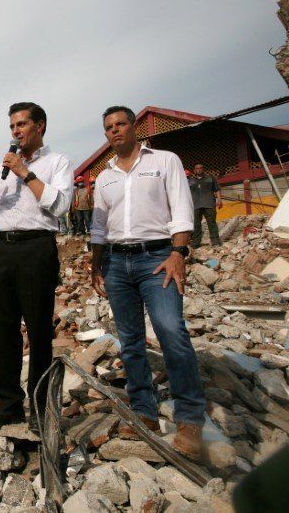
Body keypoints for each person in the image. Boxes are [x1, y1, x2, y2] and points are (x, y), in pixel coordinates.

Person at [90, 106, 205, 461]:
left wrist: (179, 253)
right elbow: (99, 226)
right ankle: (145, 411)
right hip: (116, 262)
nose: (115, 131)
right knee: (130, 340)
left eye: (121, 124)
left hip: (158, 258)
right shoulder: (103, 177)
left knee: (171, 329)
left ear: (134, 126)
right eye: (108, 127)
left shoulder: (165, 160)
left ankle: (189, 418)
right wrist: (96, 265)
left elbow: (182, 208)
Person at [0, 102, 73, 432]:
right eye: (12, 126)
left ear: (40, 126)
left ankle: (41, 409)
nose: (15, 131)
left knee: (39, 329)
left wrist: (25, 173)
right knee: (2, 329)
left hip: (36, 248)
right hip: (1, 249)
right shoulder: (3, 170)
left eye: (21, 125)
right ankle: (9, 405)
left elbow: (59, 204)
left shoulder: (57, 162)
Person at [188, 163, 223, 248]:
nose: (199, 169)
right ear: (194, 170)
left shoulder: (210, 178)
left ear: (203, 169)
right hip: (196, 206)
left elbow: (217, 189)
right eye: (197, 168)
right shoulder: (190, 181)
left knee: (212, 223)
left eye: (200, 168)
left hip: (209, 204)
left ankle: (215, 242)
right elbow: (186, 193)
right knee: (196, 225)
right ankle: (196, 243)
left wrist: (220, 200)